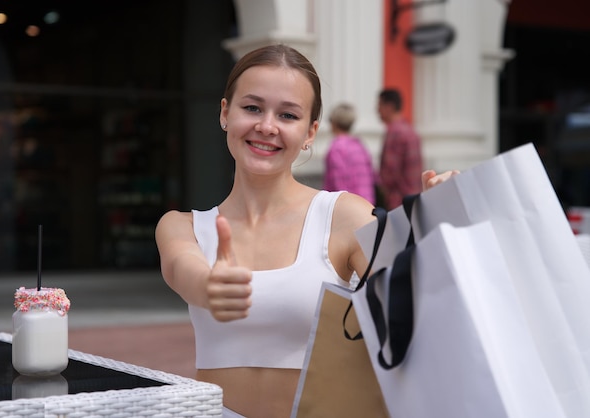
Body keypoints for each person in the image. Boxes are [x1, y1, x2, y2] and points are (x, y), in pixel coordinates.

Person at [155, 44, 456, 418]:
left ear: (310, 131)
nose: (267, 126)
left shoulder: (344, 215)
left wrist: (441, 232)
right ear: (224, 114)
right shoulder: (182, 225)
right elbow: (184, 270)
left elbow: (413, 302)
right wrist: (208, 287)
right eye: (252, 108)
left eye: (287, 114)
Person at [377, 88, 424, 210]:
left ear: (389, 106)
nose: (377, 111)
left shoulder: (394, 132)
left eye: (379, 105)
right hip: (414, 196)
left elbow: (390, 171)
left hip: (398, 200)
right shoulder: (410, 129)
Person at [323, 102, 376, 204]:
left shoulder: (336, 148)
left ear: (334, 123)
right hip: (367, 203)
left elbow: (337, 183)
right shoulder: (359, 145)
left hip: (348, 207)